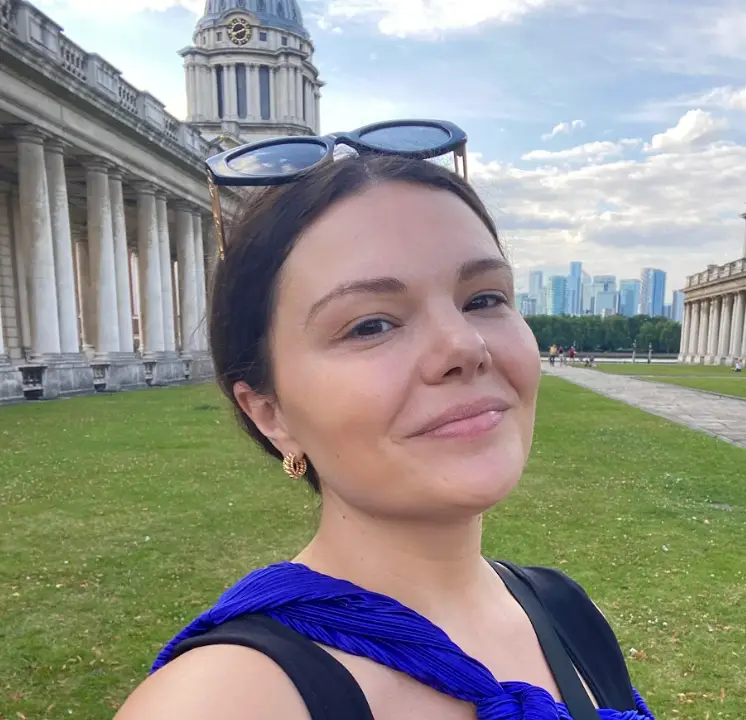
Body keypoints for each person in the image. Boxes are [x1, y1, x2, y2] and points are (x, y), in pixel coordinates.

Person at [115, 121, 653, 720]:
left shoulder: (564, 609)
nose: (464, 345)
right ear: (271, 414)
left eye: (483, 298)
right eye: (370, 324)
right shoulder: (228, 700)